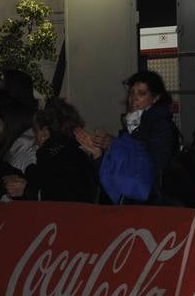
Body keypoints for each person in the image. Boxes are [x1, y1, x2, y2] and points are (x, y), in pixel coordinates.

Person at [76, 70, 178, 205]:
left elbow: (153, 168)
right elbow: (117, 174)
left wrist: (115, 146)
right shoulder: (132, 126)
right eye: (131, 93)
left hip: (152, 207)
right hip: (132, 204)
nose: (134, 98)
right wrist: (98, 155)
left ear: (155, 98)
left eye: (141, 93)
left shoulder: (161, 126)